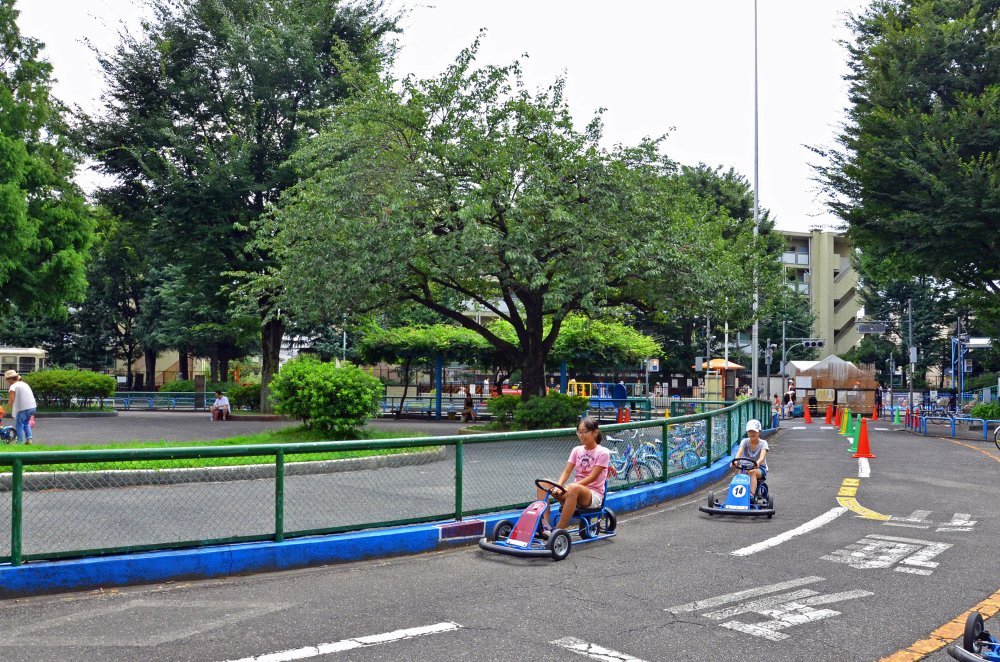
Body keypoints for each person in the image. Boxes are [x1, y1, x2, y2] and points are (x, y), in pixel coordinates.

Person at [538, 416, 611, 535]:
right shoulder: (576, 450)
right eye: (579, 432)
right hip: (574, 492)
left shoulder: (603, 452)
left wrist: (570, 487)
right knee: (543, 483)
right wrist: (559, 486)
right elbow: (566, 471)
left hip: (593, 495)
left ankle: (557, 531)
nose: (581, 435)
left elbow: (592, 477)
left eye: (585, 432)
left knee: (573, 487)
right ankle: (545, 526)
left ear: (595, 432)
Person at [732, 419, 768, 499]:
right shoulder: (744, 441)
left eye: (754, 431)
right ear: (747, 432)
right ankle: (737, 496)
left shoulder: (763, 443)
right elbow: (739, 452)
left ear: (759, 432)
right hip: (744, 466)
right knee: (740, 473)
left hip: (759, 468)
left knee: (751, 472)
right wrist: (735, 461)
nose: (752, 433)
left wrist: (757, 463)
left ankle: (751, 496)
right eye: (750, 431)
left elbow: (762, 457)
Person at [2, 369, 37, 444]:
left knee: (19, 425)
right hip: (32, 407)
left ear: (11, 379)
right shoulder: (24, 384)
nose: (8, 381)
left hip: (23, 408)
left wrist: (5, 410)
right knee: (26, 424)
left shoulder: (13, 386)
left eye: (8, 379)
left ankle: (19, 442)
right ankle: (29, 440)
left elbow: (11, 400)